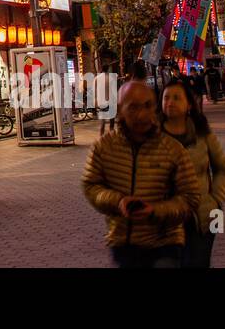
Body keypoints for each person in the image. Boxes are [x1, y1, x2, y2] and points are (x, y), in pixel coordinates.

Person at [81, 80, 200, 267]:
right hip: (123, 243)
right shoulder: (104, 148)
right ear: (120, 109)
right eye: (134, 107)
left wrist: (155, 211)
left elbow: (191, 197)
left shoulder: (172, 149)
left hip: (165, 243)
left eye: (148, 105)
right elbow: (91, 186)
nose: (143, 114)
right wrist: (117, 201)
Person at [160, 79, 225, 267]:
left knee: (200, 262)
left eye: (177, 98)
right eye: (166, 98)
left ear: (189, 104)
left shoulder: (203, 133)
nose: (170, 102)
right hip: (166, 217)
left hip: (205, 214)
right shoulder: (153, 137)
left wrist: (216, 198)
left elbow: (222, 168)